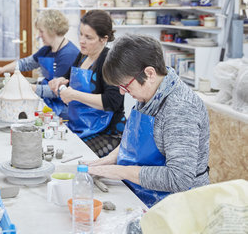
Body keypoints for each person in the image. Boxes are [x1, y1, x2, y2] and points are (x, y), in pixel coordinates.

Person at [86, 34, 210, 207]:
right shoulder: (151, 92)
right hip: (148, 193)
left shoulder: (179, 108)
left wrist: (121, 171)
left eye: (125, 86)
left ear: (149, 73)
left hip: (181, 205)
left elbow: (179, 178)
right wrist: (109, 159)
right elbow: (136, 143)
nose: (122, 92)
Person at [49, 10, 126, 158]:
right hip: (81, 126)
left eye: (88, 37)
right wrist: (60, 80)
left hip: (107, 133)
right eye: (81, 34)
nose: (82, 41)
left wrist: (74, 95)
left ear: (103, 39)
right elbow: (68, 77)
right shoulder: (83, 55)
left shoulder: (111, 62)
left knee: (74, 156)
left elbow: (112, 102)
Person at [0, 10, 79, 116]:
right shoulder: (47, 49)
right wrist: (2, 69)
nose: (39, 35)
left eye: (41, 31)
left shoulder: (68, 54)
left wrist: (26, 87)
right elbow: (25, 63)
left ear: (52, 30)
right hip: (48, 102)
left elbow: (57, 90)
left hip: (63, 109)